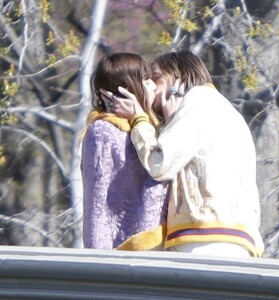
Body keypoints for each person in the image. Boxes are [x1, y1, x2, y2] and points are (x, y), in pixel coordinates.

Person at [101, 51, 265, 257]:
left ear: (179, 77)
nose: (150, 85)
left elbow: (159, 164)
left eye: (157, 77)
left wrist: (138, 119)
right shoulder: (225, 111)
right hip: (234, 241)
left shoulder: (199, 99)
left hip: (205, 239)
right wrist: (169, 122)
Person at [81, 52, 169, 251]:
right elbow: (98, 204)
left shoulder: (145, 128)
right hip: (123, 252)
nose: (153, 86)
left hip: (155, 248)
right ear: (127, 90)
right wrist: (100, 260)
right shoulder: (103, 131)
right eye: (146, 80)